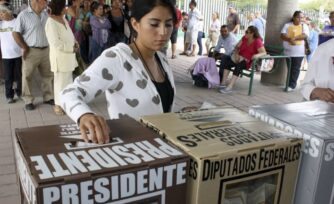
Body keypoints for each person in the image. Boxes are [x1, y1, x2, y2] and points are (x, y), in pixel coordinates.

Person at [60, 0, 177, 144]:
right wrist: (85, 115)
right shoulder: (118, 58)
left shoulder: (162, 60)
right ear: (135, 24)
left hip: (165, 152)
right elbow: (69, 93)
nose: (163, 32)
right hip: (133, 152)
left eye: (168, 24)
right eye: (154, 24)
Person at [13, 0, 54, 111]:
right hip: (31, 51)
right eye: (44, 1)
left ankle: (48, 97)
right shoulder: (24, 15)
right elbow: (15, 33)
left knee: (48, 75)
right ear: (36, 1)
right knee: (27, 76)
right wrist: (24, 47)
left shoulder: (46, 14)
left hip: (46, 50)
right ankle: (28, 100)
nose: (46, 2)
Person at [45, 0, 78, 115]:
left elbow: (70, 33)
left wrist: (75, 42)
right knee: (60, 82)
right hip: (59, 58)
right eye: (64, 7)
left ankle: (66, 102)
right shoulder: (50, 22)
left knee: (68, 82)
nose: (66, 8)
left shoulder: (63, 18)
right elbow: (55, 43)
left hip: (69, 57)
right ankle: (58, 105)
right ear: (59, 7)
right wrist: (71, 48)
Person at [219, 26, 266, 93]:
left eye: (247, 32)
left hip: (248, 61)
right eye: (245, 32)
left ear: (252, 34)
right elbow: (236, 47)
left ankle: (230, 86)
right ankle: (223, 83)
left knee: (238, 66)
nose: (245, 33)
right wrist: (236, 54)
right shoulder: (244, 38)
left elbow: (264, 52)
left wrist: (256, 55)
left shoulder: (257, 41)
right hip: (239, 57)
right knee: (227, 62)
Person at [281, 11, 309, 92]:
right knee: (289, 68)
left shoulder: (304, 26)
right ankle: (288, 84)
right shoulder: (287, 25)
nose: (300, 19)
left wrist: (294, 38)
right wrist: (290, 39)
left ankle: (292, 85)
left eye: (302, 17)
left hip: (299, 52)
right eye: (298, 17)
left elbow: (305, 35)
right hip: (288, 51)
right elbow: (282, 35)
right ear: (293, 17)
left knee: (295, 69)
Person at [0, 4, 22, 103]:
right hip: (6, 55)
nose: (1, 15)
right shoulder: (1, 24)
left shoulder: (17, 22)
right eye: (0, 13)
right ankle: (9, 96)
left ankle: (19, 92)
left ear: (9, 12)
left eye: (3, 12)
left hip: (18, 54)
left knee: (18, 76)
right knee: (8, 76)